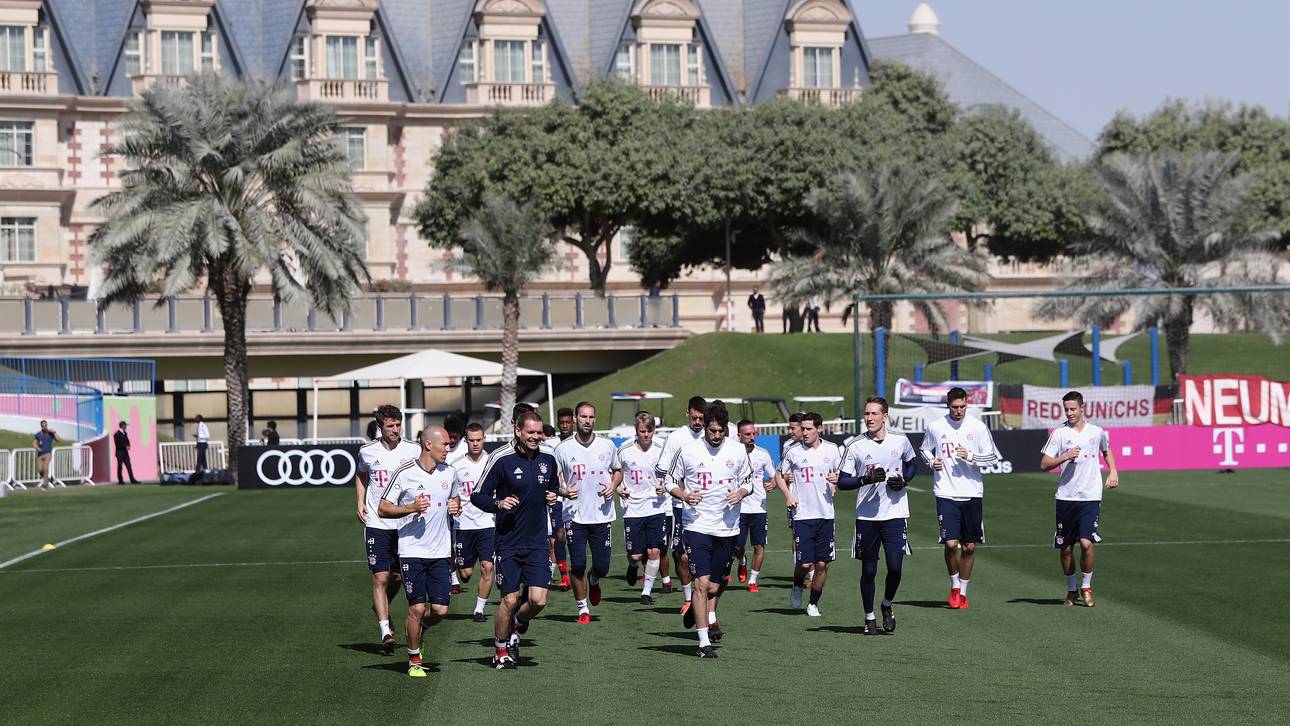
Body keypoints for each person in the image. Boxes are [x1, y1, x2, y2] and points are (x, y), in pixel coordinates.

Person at [472, 410, 560, 669]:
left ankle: (518, 625)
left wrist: (553, 495)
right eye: (530, 432)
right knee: (509, 600)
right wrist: (498, 503)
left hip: (537, 541)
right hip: (508, 541)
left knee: (538, 601)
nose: (535, 437)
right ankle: (500, 651)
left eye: (539, 432)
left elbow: (552, 486)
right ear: (518, 431)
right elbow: (478, 495)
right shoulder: (500, 458)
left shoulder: (548, 458)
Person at [668, 402, 753, 658]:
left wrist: (740, 492)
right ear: (704, 427)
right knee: (701, 584)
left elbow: (749, 481)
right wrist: (684, 495)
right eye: (712, 430)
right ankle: (704, 643)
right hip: (697, 525)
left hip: (727, 528)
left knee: (715, 587)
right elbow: (670, 481)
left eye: (721, 431)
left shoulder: (738, 451)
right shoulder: (688, 451)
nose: (716, 436)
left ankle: (698, 611)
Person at [377, 425, 461, 678]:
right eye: (445, 444)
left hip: (441, 552)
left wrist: (455, 507)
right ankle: (414, 659)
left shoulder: (451, 473)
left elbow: (454, 500)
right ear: (428, 445)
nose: (449, 448)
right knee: (416, 607)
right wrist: (411, 507)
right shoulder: (405, 473)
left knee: (440, 611)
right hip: (411, 551)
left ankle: (419, 628)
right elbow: (383, 508)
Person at [835, 396, 918, 635]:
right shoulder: (856, 446)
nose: (869, 418)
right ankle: (869, 617)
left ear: (885, 416)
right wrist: (866, 479)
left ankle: (887, 605)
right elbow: (842, 481)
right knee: (868, 570)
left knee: (895, 566)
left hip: (895, 513)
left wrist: (904, 480)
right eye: (866, 414)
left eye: (874, 414)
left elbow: (912, 463)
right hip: (868, 517)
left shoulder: (900, 441)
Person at [921, 387, 1000, 609]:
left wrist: (971, 455)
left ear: (967, 404)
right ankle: (954, 586)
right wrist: (931, 462)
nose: (959, 411)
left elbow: (993, 456)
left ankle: (963, 592)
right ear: (948, 405)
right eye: (955, 407)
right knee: (950, 543)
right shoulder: (936, 426)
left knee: (969, 547)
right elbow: (925, 449)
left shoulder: (978, 427)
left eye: (963, 407)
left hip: (972, 492)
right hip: (945, 492)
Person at [1040, 390, 1120, 608]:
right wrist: (1065, 456)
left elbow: (1106, 450)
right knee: (1065, 547)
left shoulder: (1097, 432)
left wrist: (1113, 471)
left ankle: (1086, 587)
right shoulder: (1059, 434)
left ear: (1083, 408)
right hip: (1066, 496)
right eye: (1066, 409)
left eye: (1073, 409)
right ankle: (1071, 589)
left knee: (1086, 542)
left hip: (1090, 495)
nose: (1069, 413)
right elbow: (1044, 464)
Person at [355, 404, 422, 654]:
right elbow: (362, 475)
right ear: (380, 427)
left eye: (397, 425)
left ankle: (380, 605)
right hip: (376, 522)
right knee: (380, 577)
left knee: (397, 577)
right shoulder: (368, 451)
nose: (395, 430)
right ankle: (385, 631)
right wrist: (360, 501)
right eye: (390, 426)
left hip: (403, 522)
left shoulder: (413, 450)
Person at [554, 401, 621, 624]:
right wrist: (563, 491)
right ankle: (582, 609)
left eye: (591, 417)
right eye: (583, 417)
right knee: (579, 564)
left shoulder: (607, 445)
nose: (587, 421)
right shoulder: (562, 449)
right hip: (574, 515)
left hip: (602, 515)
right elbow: (554, 479)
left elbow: (618, 470)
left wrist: (613, 484)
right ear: (575, 418)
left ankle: (593, 580)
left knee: (602, 567)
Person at [780, 413, 842, 616]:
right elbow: (779, 475)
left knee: (822, 564)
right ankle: (797, 583)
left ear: (819, 429)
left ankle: (813, 603)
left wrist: (835, 481)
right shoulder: (793, 451)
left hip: (826, 514)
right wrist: (788, 495)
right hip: (803, 514)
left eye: (808, 429)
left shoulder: (832, 450)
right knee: (805, 563)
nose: (804, 432)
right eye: (803, 429)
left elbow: (840, 474)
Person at [655, 396, 707, 614]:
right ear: (687, 413)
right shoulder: (676, 438)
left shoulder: (713, 436)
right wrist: (682, 488)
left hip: (710, 508)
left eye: (701, 419)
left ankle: (706, 597)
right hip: (681, 506)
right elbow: (661, 470)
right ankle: (689, 599)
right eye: (694, 418)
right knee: (682, 554)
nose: (698, 422)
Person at [613, 412, 667, 604]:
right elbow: (613, 472)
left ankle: (646, 592)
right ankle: (633, 565)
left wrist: (664, 486)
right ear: (636, 430)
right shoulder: (624, 449)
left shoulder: (662, 447)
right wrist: (618, 489)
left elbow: (673, 473)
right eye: (642, 431)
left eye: (649, 431)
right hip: (633, 507)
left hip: (656, 505)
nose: (646, 435)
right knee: (636, 554)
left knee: (654, 551)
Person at [733, 419, 793, 592]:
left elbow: (776, 474)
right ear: (739, 436)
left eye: (754, 434)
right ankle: (741, 560)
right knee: (737, 546)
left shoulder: (763, 454)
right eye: (747, 434)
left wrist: (774, 483)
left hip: (759, 507)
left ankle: (752, 580)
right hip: (738, 507)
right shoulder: (732, 453)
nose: (752, 437)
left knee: (759, 545)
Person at [450, 423, 495, 622]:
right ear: (465, 441)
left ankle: (479, 610)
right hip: (463, 525)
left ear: (484, 439)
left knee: (487, 567)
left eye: (479, 440)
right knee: (466, 574)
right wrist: (454, 504)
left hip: (488, 524)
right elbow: (451, 494)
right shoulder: (456, 465)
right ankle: (460, 565)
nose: (475, 444)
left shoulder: (493, 462)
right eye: (471, 440)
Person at [549, 406, 575, 589]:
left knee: (575, 536)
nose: (565, 425)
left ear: (573, 422)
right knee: (559, 535)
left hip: (577, 498)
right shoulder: (551, 444)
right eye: (562, 423)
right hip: (559, 497)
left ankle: (576, 569)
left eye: (568, 422)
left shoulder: (580, 442)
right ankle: (564, 576)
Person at [33, 420, 58, 489]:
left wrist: (55, 432)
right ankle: (46, 478)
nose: (44, 427)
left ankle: (45, 485)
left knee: (45, 468)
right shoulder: (38, 434)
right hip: (40, 454)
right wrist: (37, 448)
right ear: (41, 426)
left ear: (47, 425)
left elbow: (58, 440)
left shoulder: (50, 433)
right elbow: (34, 443)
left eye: (45, 425)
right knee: (40, 470)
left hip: (48, 453)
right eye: (43, 425)